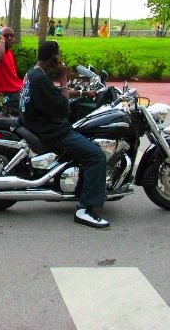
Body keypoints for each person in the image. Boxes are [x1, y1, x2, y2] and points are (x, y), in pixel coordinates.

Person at [20, 40, 109, 229]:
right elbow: (62, 107)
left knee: (87, 143)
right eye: (58, 54)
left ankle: (81, 188)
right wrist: (63, 77)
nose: (60, 58)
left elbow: (54, 93)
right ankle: (86, 210)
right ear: (54, 57)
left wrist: (85, 94)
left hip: (38, 124)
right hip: (51, 130)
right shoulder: (40, 78)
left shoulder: (33, 73)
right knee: (96, 156)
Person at [0, 26, 23, 114]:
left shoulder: (9, 53)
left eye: (12, 36)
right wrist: (2, 41)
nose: (9, 38)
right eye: (6, 36)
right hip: (1, 94)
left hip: (12, 92)